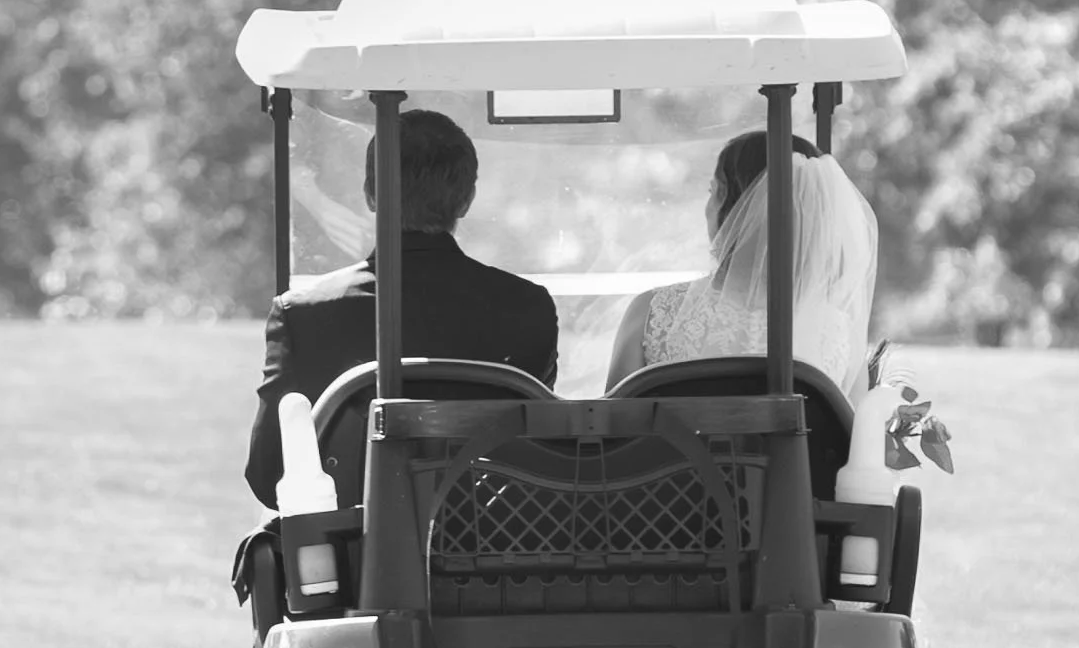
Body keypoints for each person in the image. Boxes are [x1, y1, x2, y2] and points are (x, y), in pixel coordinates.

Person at [244, 109, 558, 509]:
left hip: (351, 557)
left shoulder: (305, 314)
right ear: (466, 199)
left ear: (370, 194)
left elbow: (269, 472)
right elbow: (540, 457)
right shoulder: (529, 308)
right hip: (492, 551)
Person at [604, 131, 879, 398]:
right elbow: (850, 437)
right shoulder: (840, 335)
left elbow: (609, 429)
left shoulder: (651, 313)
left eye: (712, 191)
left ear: (733, 205)